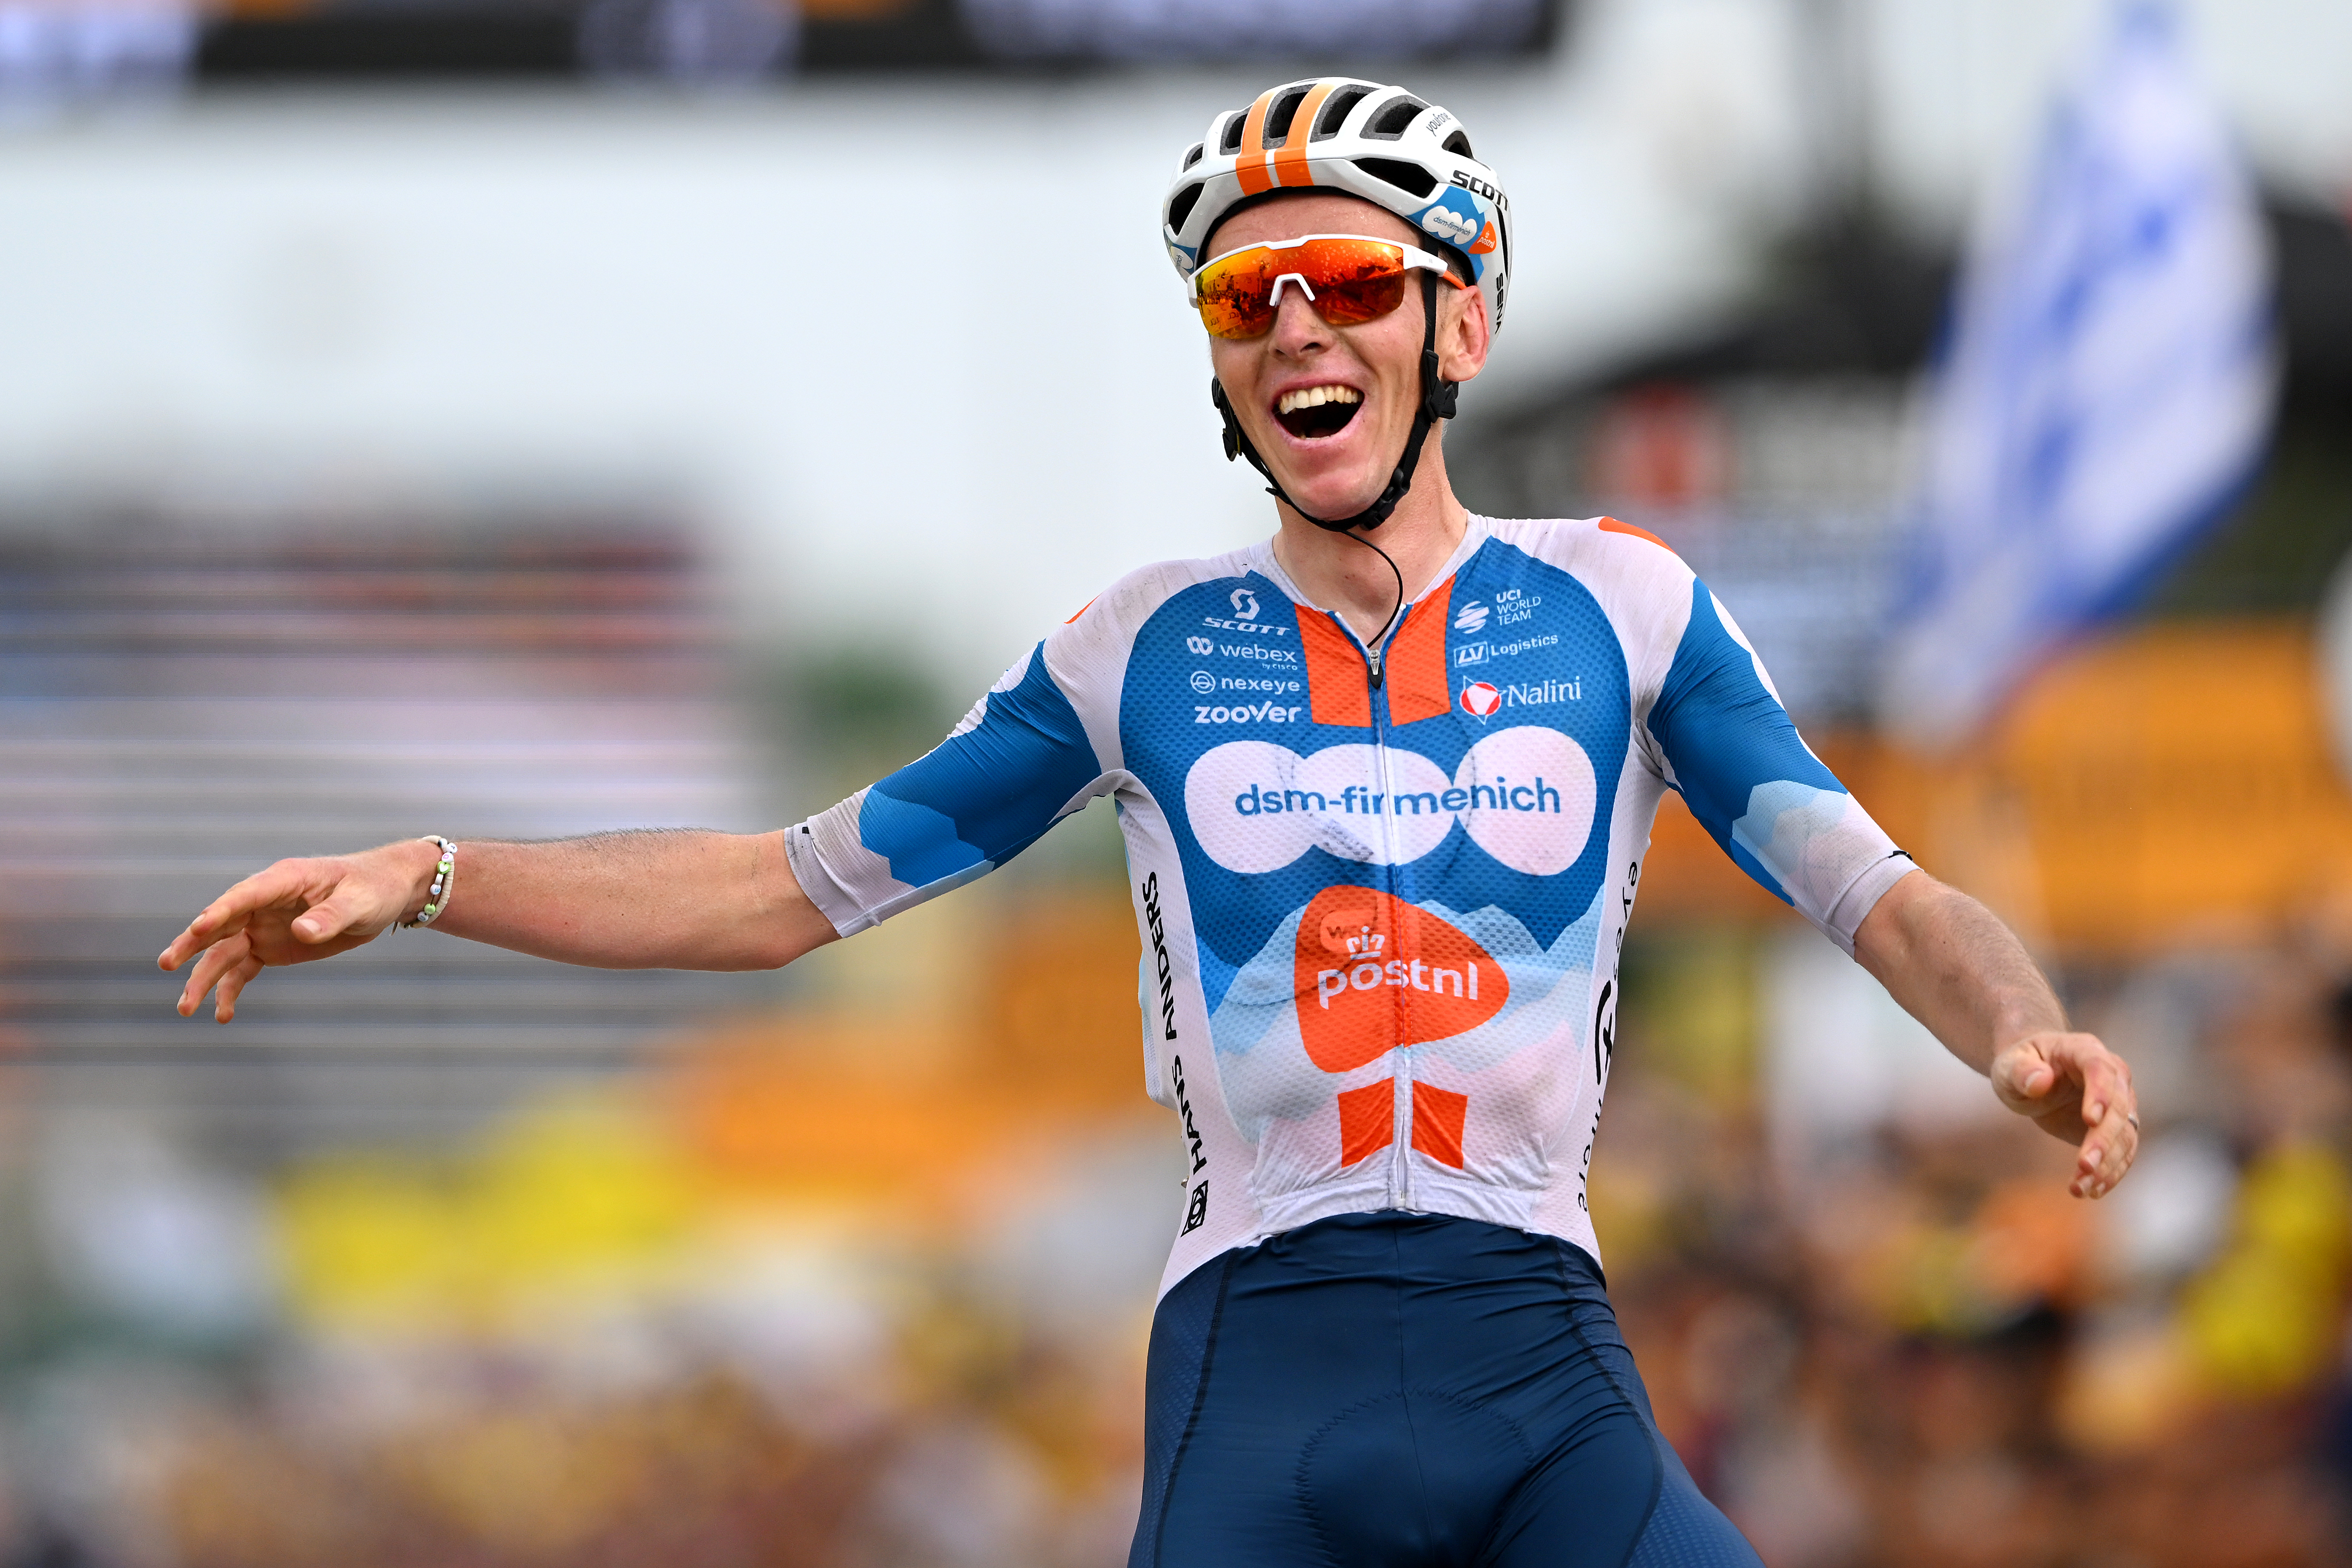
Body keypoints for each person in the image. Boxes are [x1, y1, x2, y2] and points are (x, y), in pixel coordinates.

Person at [160, 77, 2139, 1567]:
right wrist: (427, 877)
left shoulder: (1627, 607)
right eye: (1242, 296)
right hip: (1255, 1365)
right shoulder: (1135, 651)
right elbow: (784, 893)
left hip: (1544, 1357)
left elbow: (1875, 889)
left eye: (1350, 280)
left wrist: (2014, 1029)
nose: (1293, 326)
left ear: (1457, 328)